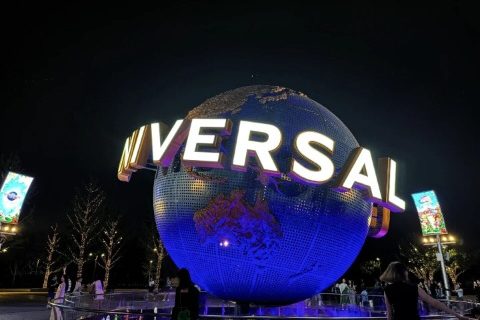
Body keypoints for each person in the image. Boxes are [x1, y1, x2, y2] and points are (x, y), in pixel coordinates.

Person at [380, 261, 472, 320]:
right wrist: (457, 315)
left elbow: (389, 314)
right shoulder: (414, 288)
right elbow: (435, 303)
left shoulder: (387, 290)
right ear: (404, 272)